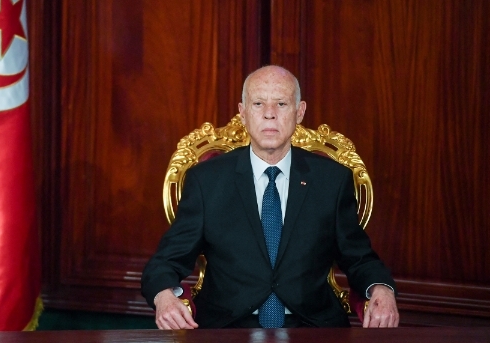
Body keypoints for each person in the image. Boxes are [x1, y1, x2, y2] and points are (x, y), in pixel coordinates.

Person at [141, 65, 399, 329]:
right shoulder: (207, 181)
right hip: (229, 326)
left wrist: (381, 289)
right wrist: (164, 296)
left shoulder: (331, 180)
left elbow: (359, 257)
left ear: (300, 112)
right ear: (242, 113)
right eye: (258, 103)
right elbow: (166, 262)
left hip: (310, 326)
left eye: (281, 103)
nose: (269, 114)